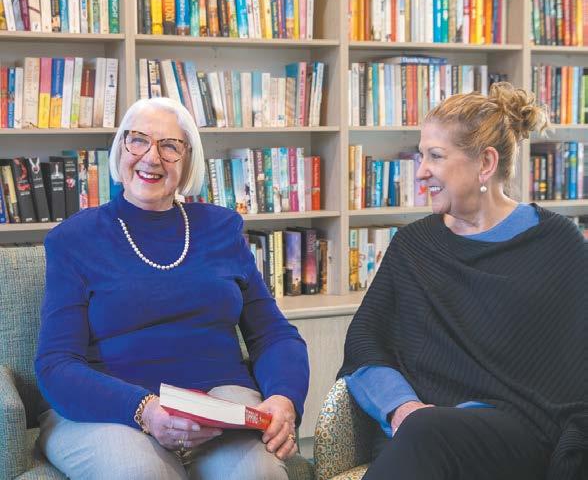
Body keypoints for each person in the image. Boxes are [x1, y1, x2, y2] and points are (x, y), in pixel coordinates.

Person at [35, 97, 310, 480]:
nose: (152, 157)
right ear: (121, 148)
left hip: (219, 403)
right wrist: (144, 409)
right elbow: (55, 364)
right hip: (111, 407)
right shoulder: (73, 239)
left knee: (256, 474)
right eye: (138, 140)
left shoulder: (222, 227)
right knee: (141, 474)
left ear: (187, 159)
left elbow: (273, 333)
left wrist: (283, 397)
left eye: (169, 146)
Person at [339, 82, 587, 480]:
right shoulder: (413, 245)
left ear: (485, 163)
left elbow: (573, 368)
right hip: (419, 431)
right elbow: (365, 342)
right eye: (421, 155)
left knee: (428, 432)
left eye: (435, 156)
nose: (421, 171)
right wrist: (402, 407)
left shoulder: (556, 242)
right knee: (424, 431)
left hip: (517, 435)